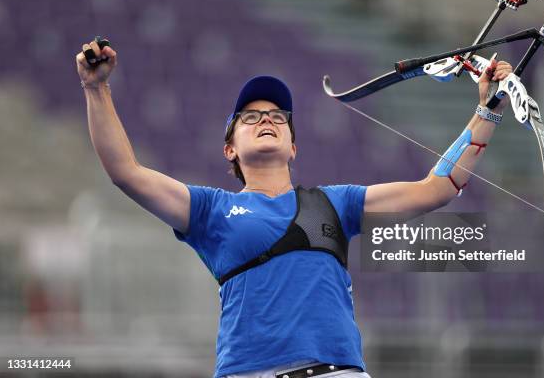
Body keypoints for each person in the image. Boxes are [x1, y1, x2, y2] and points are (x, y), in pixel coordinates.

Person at [76, 38, 513, 378]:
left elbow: (438, 187)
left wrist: (487, 109)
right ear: (230, 149)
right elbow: (126, 172)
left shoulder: (334, 203)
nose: (267, 119)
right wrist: (96, 88)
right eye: (250, 117)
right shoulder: (210, 210)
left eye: (278, 116)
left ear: (293, 146)